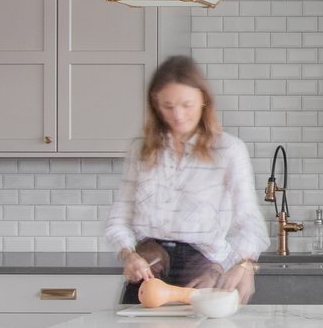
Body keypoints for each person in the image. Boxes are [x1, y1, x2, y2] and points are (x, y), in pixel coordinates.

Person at [105, 55, 266, 304]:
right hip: (149, 271)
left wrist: (244, 265)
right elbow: (119, 219)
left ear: (204, 101)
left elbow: (250, 223)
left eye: (186, 104)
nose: (178, 115)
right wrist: (128, 255)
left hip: (204, 272)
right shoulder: (141, 151)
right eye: (167, 106)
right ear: (155, 105)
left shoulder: (229, 150)